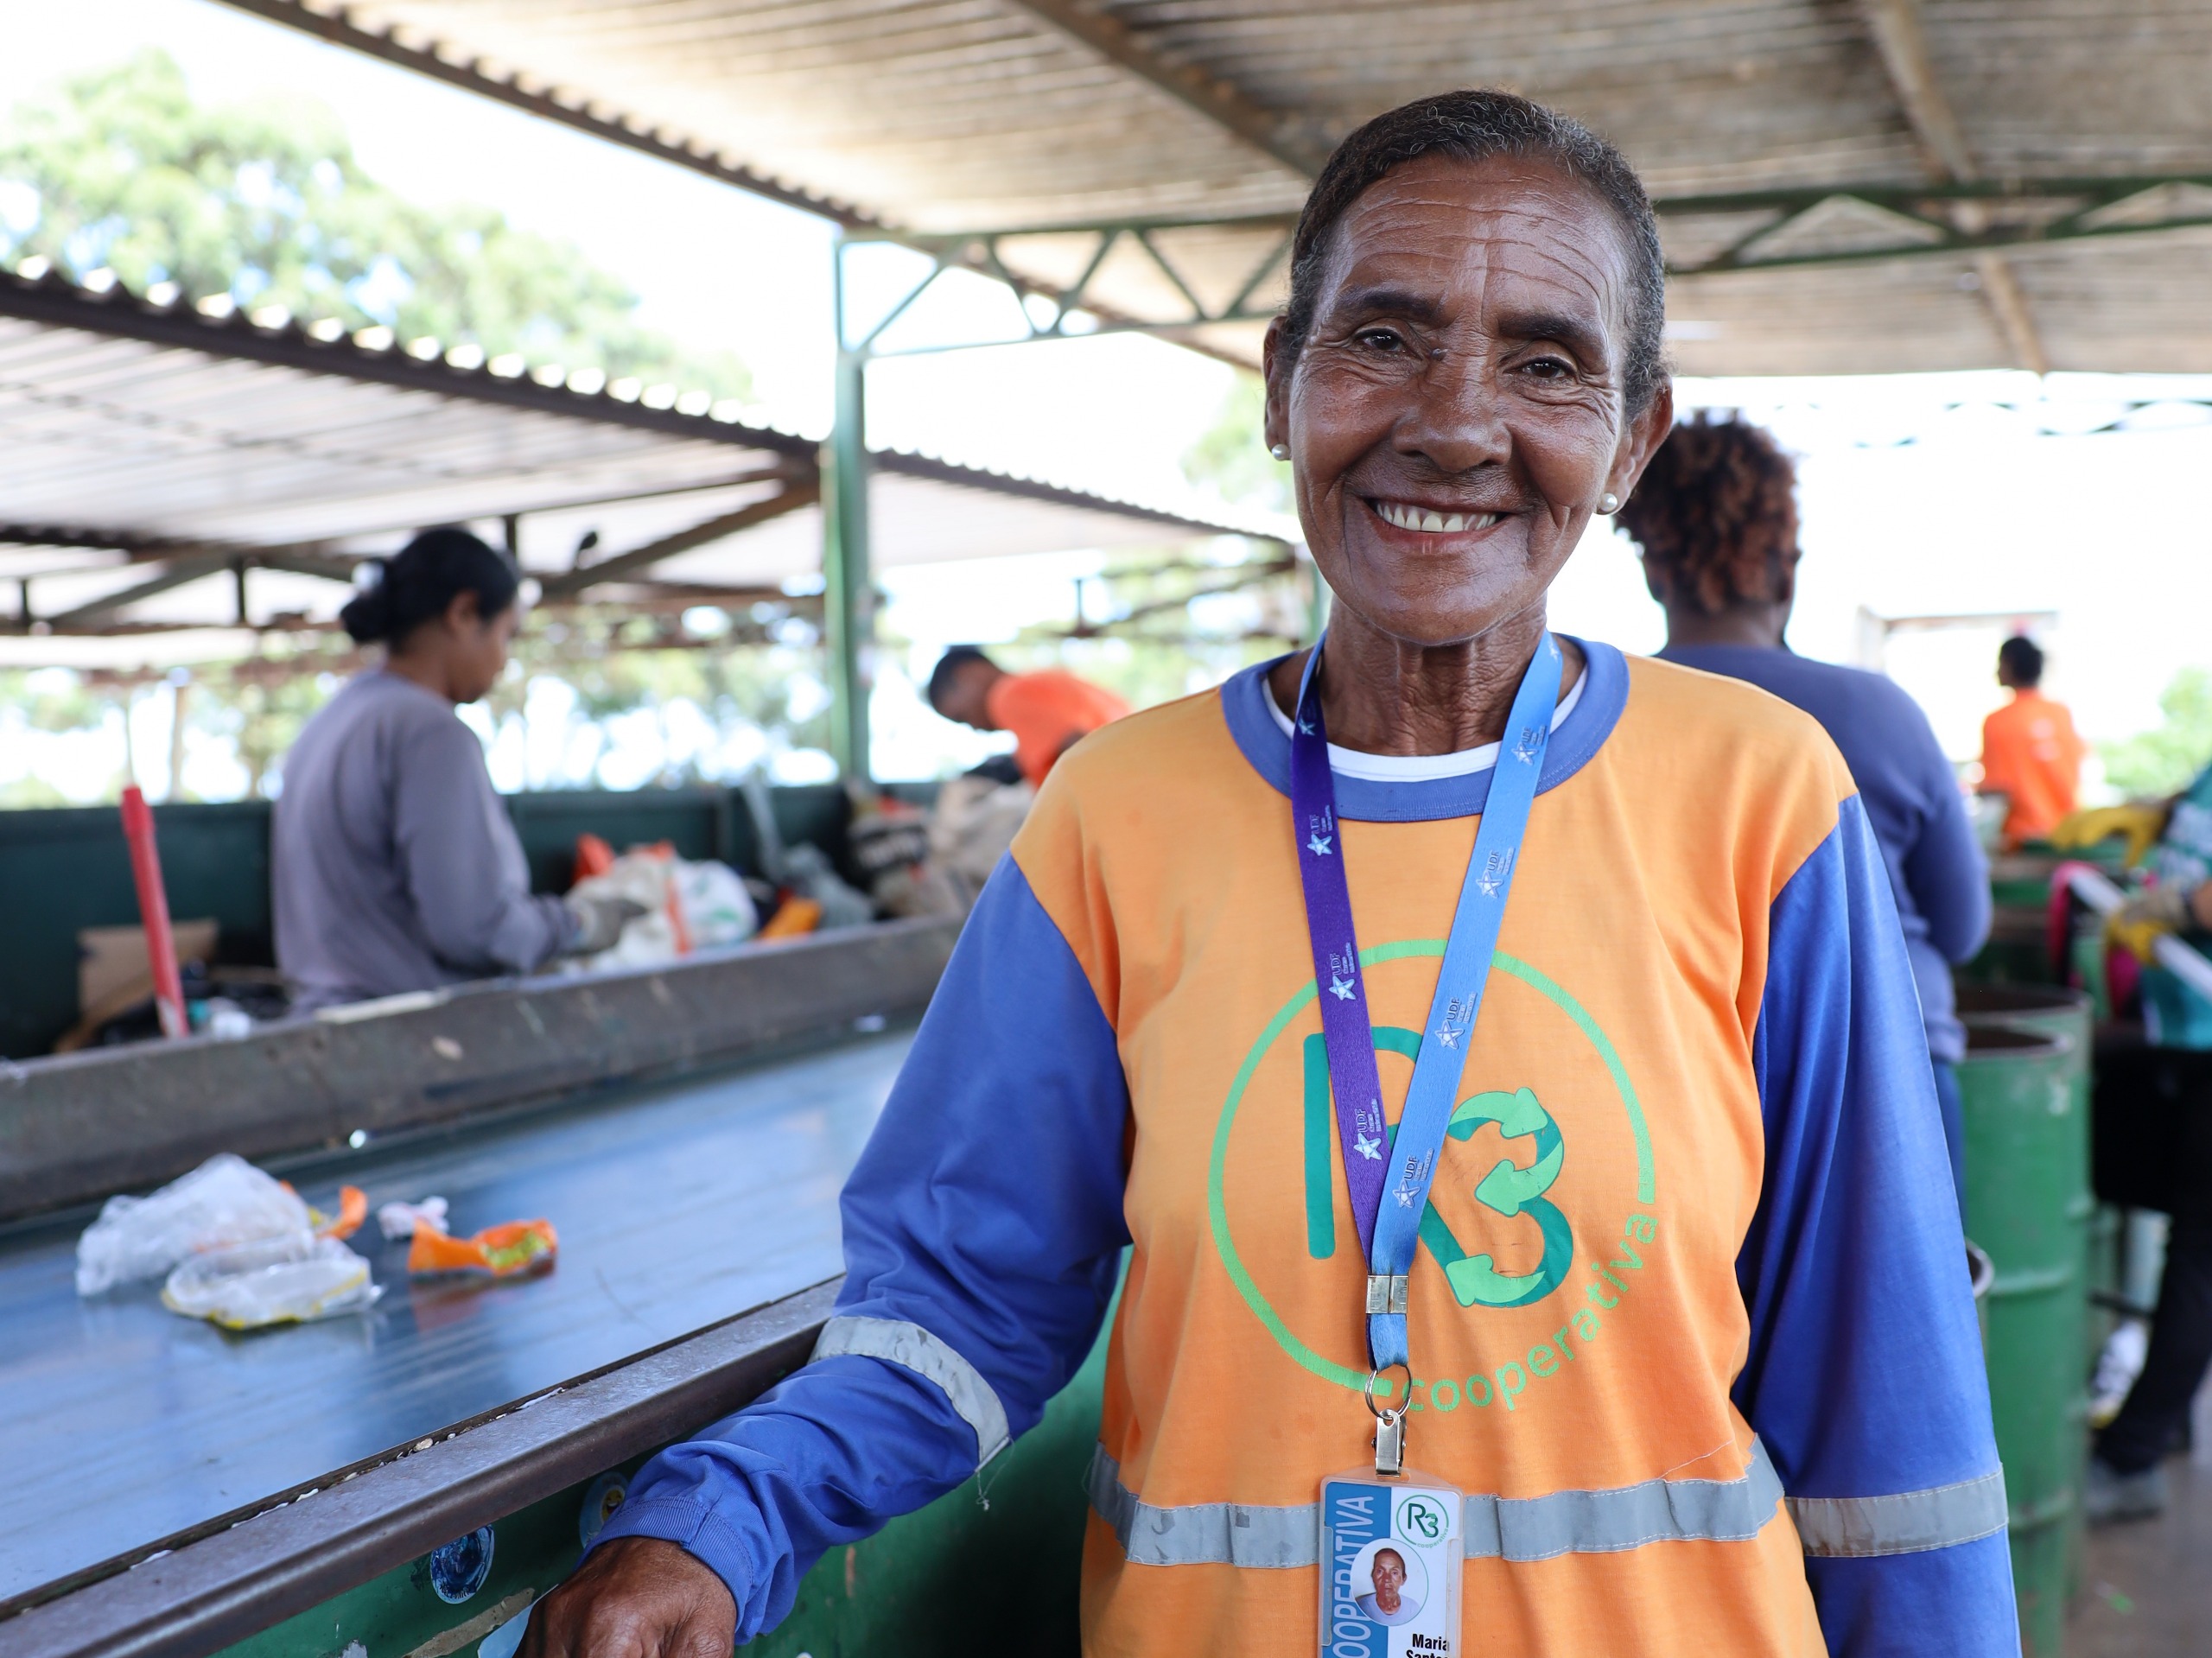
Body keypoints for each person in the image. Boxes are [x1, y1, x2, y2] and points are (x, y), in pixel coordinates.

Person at [525, 91, 2012, 1658]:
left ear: (1632, 438)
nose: (1452, 422)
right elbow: (961, 1297)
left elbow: (1889, 1421)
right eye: (1382, 337)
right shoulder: (1116, 816)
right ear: (1281, 389)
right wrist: (720, 1513)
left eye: (1547, 363)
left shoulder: (1759, 798)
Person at [1618, 413, 1990, 1215]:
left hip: (1668, 1097)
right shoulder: (1880, 713)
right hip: (1889, 1085)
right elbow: (1962, 928)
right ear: (1788, 569)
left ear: (1653, 571)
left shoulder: (1598, 716)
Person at [273, 528, 637, 1010]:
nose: (504, 661)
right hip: (411, 1035)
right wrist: (576, 925)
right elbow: (472, 927)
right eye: (507, 635)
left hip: (322, 1023)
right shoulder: (429, 732)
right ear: (464, 614)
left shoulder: (329, 722)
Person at [2057, 775, 2212, 1519]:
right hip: (2185, 1032)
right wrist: (2165, 810)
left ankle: (2132, 1458)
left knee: (2200, 1255)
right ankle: (2162, 1413)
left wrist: (2175, 905)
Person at [925, 645, 1129, 785]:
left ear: (969, 673)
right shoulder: (1043, 683)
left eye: (963, 717)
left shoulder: (1007, 695)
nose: (976, 728)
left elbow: (1084, 754)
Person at [1979, 636, 2085, 848]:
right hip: (2068, 836)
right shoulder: (2062, 713)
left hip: (2024, 842)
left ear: (2008, 664)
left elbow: (1995, 789)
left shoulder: (1997, 721)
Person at [1353, 1547, 1420, 1626]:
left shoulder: (1412, 1609)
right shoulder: (1360, 1605)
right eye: (1380, 1571)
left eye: (1394, 1573)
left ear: (1403, 1579)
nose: (1387, 1579)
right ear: (1373, 1576)